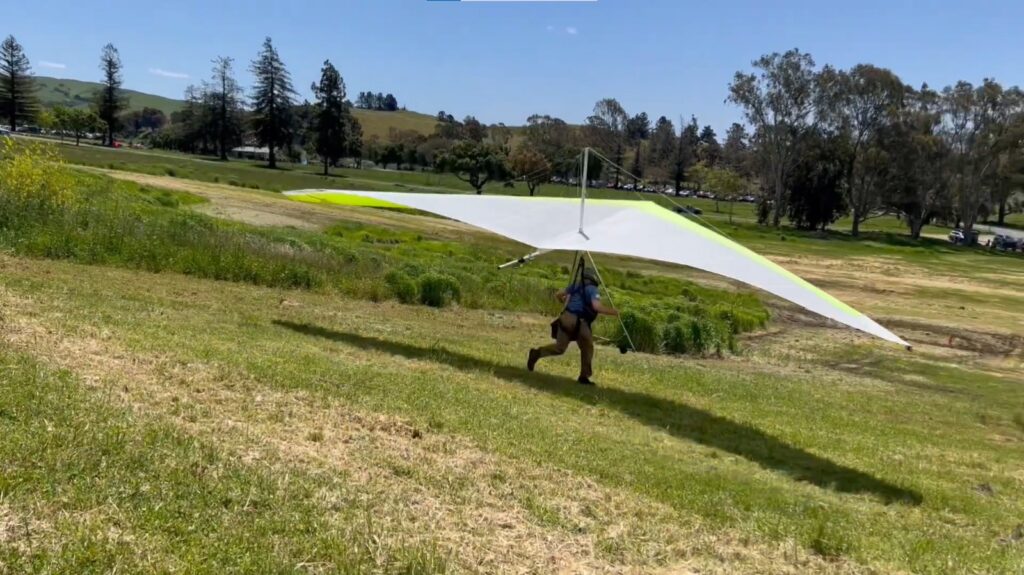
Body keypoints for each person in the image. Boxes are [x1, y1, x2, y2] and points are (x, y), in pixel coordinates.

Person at [527, 267, 618, 385]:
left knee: (560, 348)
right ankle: (584, 376)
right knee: (587, 347)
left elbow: (558, 294)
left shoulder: (576, 285)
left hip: (567, 318)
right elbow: (597, 307)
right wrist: (614, 312)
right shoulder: (592, 289)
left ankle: (537, 353)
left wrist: (564, 301)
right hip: (579, 321)